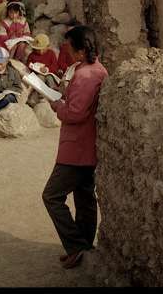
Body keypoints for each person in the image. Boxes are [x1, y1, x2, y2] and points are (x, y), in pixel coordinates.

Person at [42, 25, 108, 270]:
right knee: (84, 197)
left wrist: (57, 105)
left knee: (52, 196)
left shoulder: (86, 75)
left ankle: (76, 245)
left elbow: (75, 113)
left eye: (70, 47)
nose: (67, 51)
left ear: (80, 51)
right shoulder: (95, 69)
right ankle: (84, 247)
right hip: (87, 146)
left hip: (77, 147)